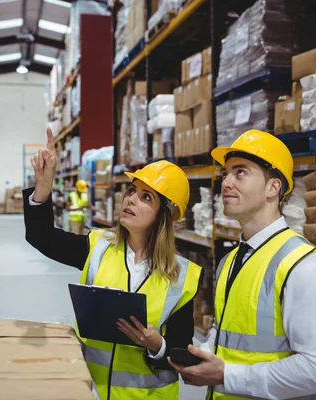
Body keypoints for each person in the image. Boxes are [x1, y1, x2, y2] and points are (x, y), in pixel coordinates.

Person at [24, 127, 203, 400]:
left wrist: (159, 346)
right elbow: (42, 237)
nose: (130, 199)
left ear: (163, 216)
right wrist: (43, 186)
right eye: (132, 190)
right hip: (92, 392)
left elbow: (182, 354)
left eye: (146, 197)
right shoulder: (97, 248)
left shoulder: (181, 277)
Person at [169, 130, 316, 400]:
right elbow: (227, 330)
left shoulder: (303, 267)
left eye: (239, 173)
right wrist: (203, 356)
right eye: (225, 174)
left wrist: (227, 375)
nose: (226, 182)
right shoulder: (231, 260)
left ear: (273, 188)